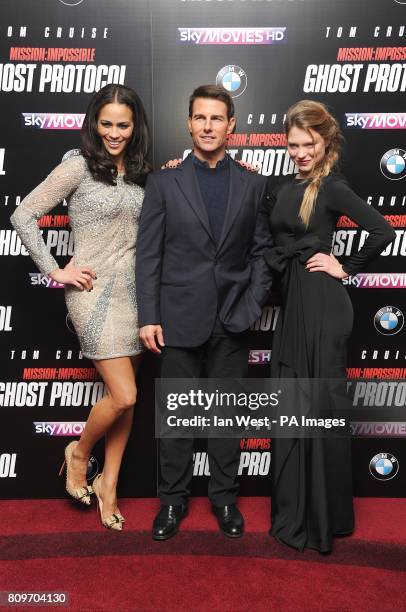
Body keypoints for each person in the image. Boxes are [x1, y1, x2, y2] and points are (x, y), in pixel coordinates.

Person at [11, 84, 151, 530]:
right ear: (94, 123)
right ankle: (78, 452)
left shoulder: (139, 172)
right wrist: (56, 270)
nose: (113, 133)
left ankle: (110, 484)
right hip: (92, 295)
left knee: (125, 402)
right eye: (106, 124)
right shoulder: (76, 166)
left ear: (135, 127)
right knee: (125, 394)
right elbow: (23, 215)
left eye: (122, 125)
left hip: (136, 295)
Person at [136, 84, 273, 540]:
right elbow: (149, 256)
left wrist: (252, 303)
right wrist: (148, 315)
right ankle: (171, 504)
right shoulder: (163, 182)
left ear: (231, 125)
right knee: (176, 417)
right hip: (176, 317)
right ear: (189, 122)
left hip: (233, 318)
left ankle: (225, 500)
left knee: (226, 418)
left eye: (217, 118)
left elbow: (261, 254)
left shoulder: (254, 184)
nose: (209, 126)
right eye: (201, 118)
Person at [265, 99, 395, 553]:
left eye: (309, 144)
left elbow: (383, 230)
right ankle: (298, 508)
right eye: (293, 143)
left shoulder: (332, 187)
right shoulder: (284, 187)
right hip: (294, 307)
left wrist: (346, 266)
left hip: (323, 307)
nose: (300, 152)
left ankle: (324, 516)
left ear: (325, 144)